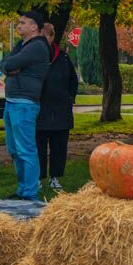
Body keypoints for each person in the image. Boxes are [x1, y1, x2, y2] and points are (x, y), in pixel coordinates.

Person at [0, 10, 52, 200]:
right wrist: (10, 67)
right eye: (19, 22)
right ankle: (22, 189)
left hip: (24, 104)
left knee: (26, 149)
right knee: (14, 149)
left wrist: (11, 66)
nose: (19, 25)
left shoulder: (37, 46)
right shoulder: (22, 44)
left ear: (34, 26)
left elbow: (12, 62)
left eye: (23, 23)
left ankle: (30, 193)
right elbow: (5, 64)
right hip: (12, 101)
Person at [36, 23, 79, 192]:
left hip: (61, 110)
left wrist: (70, 98)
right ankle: (39, 177)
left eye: (46, 36)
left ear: (52, 37)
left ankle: (55, 177)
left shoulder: (63, 58)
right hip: (40, 109)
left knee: (59, 145)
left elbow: (73, 81)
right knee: (39, 145)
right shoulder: (35, 57)